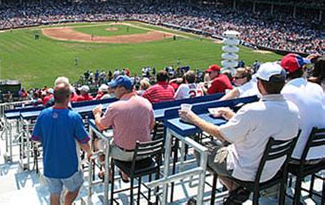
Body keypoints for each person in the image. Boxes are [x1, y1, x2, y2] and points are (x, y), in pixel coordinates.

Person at [179, 62, 299, 203]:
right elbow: (260, 126)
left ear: (260, 84)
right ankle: (237, 190)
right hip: (271, 170)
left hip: (246, 171)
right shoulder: (293, 109)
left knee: (202, 150)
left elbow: (221, 134)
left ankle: (234, 188)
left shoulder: (252, 110)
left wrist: (193, 118)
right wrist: (230, 115)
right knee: (225, 144)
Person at [32, 83, 92, 205]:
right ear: (69, 97)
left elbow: (36, 138)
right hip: (69, 166)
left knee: (54, 193)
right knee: (76, 186)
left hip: (50, 164)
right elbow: (84, 142)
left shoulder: (43, 114)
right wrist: (90, 152)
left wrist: (51, 139)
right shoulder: (73, 117)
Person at [93, 75, 155, 180]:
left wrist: (97, 114)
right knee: (120, 138)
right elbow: (151, 126)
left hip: (125, 154)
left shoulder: (115, 107)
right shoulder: (146, 102)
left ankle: (106, 171)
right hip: (144, 152)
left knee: (97, 142)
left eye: (115, 88)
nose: (113, 91)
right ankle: (124, 174)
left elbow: (100, 126)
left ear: (122, 89)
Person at [279, 53, 324, 161]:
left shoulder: (285, 91)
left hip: (297, 157)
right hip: (322, 154)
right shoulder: (316, 88)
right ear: (303, 69)